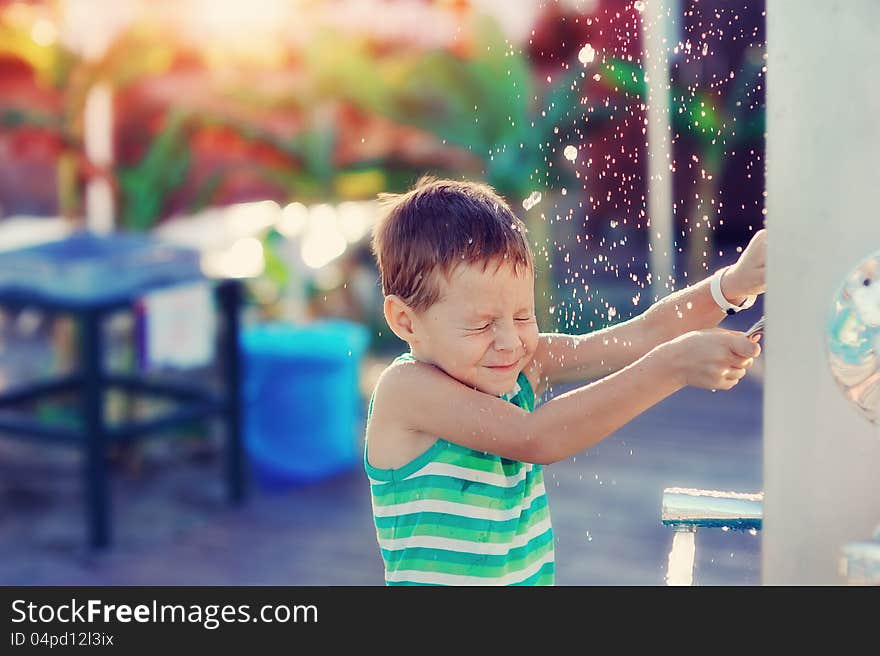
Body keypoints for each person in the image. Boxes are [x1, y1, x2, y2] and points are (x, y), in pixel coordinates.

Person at [364, 176, 766, 586]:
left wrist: (732, 286)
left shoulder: (523, 366)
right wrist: (673, 367)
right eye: (481, 325)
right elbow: (537, 437)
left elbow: (641, 336)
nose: (510, 341)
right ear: (405, 321)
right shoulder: (406, 390)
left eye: (523, 315)